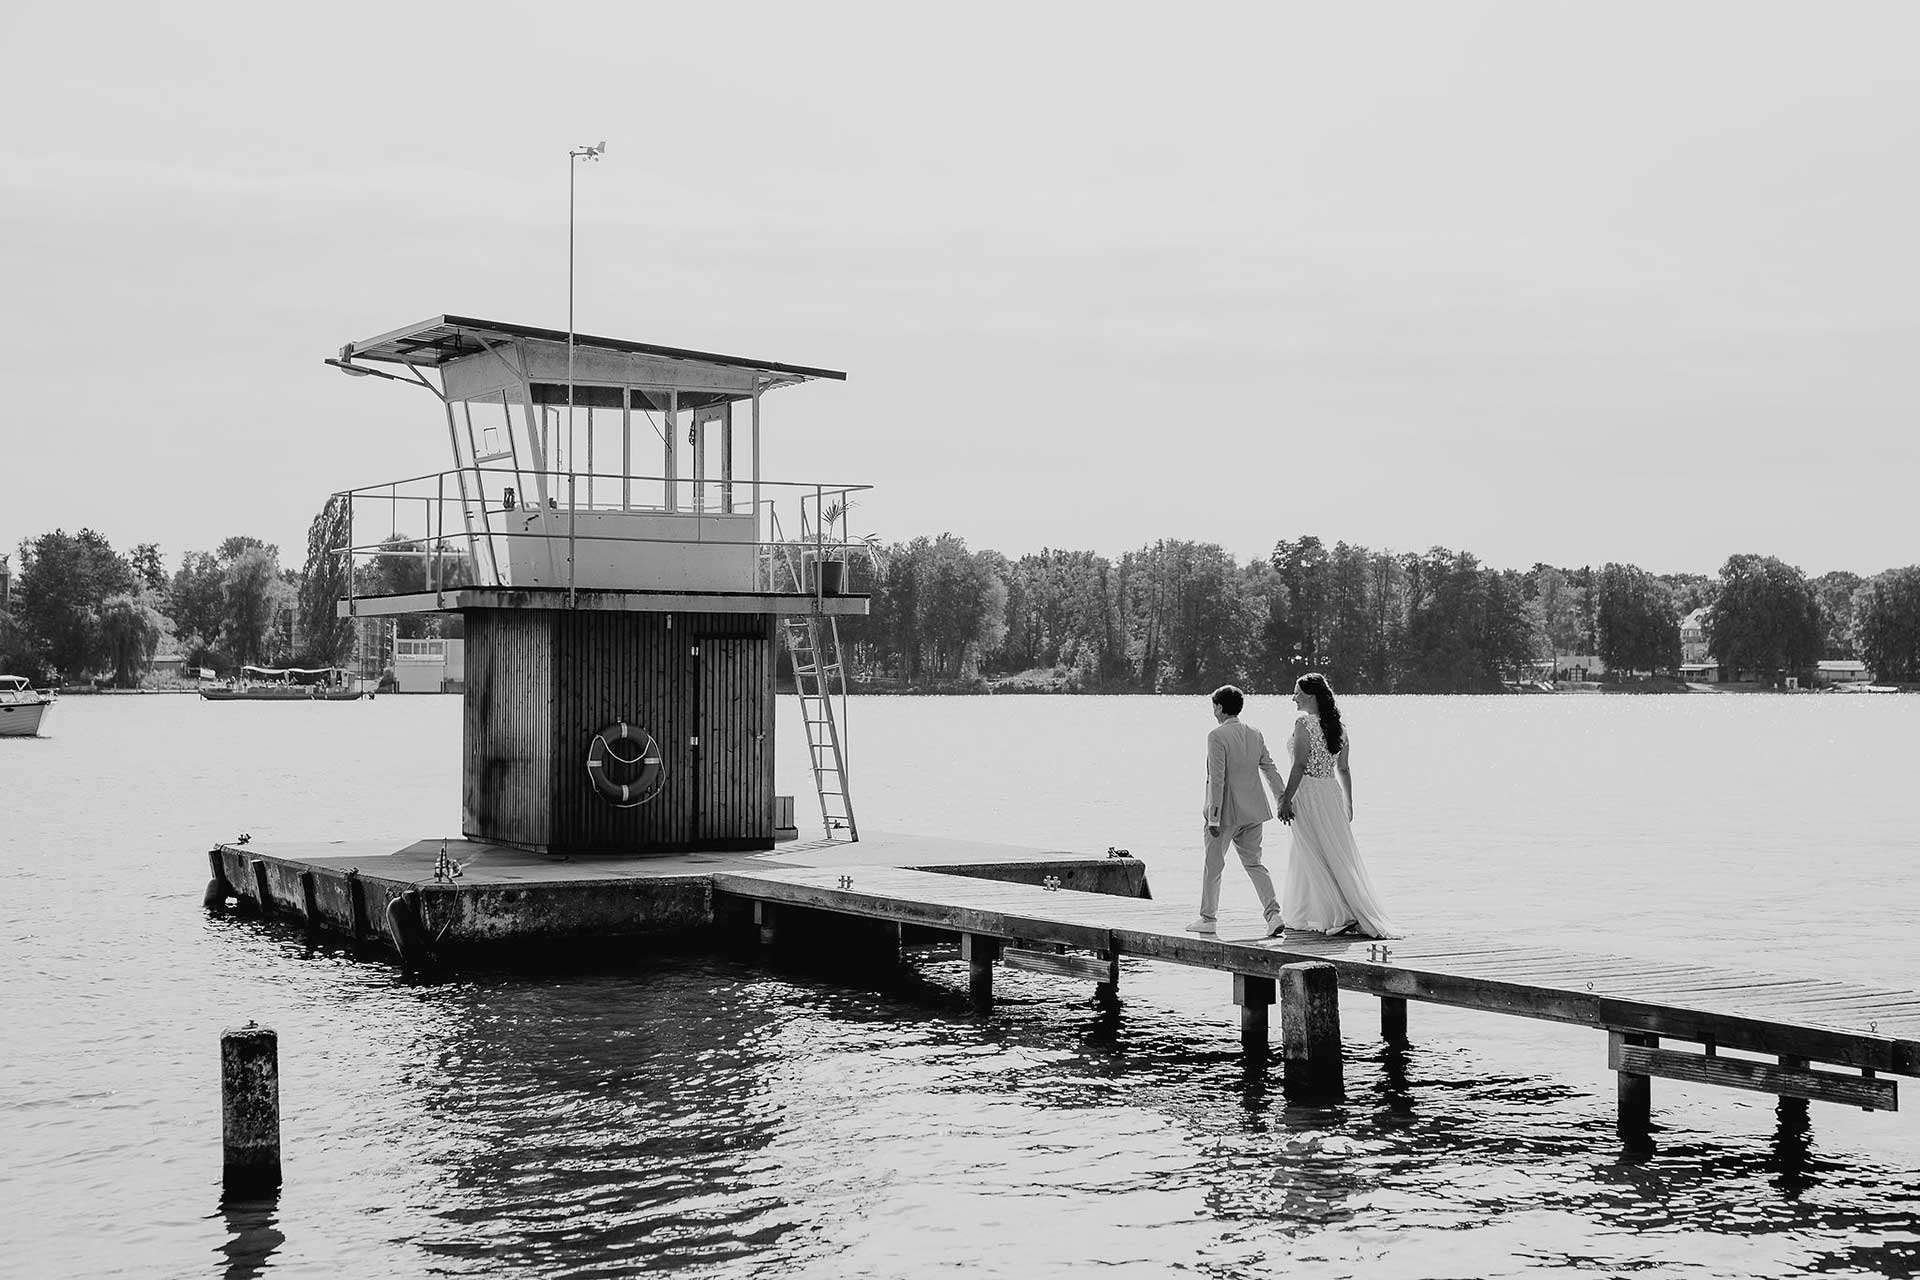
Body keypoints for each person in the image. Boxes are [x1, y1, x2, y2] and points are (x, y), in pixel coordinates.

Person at [1276, 673, 1400, 938]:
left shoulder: (1303, 723)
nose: (1293, 697)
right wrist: (1348, 802)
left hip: (1307, 792)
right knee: (1334, 852)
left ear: (1310, 695)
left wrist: (1285, 799)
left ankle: (1338, 914)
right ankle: (1316, 912)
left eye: (1296, 692)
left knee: (1311, 852)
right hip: (1331, 793)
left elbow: (1299, 765)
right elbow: (1343, 768)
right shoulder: (1339, 727)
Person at [1187, 684, 1288, 937]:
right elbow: (1270, 768)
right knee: (1255, 864)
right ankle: (1273, 914)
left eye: (1214, 707)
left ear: (1220, 707)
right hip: (1254, 811)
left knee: (1213, 865)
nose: (1213, 712)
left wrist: (1214, 816)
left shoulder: (1216, 736)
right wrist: (1282, 798)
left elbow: (1218, 778)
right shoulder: (1255, 732)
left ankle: (1208, 918)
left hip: (1226, 814)